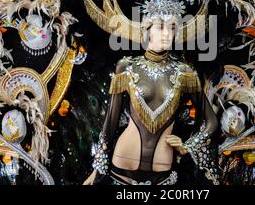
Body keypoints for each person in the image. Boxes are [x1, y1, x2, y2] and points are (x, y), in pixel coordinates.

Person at [83, 18, 218, 185]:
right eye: (161, 27)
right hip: (123, 161)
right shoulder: (126, 66)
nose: (167, 33)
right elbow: (110, 121)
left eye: (173, 27)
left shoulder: (185, 72)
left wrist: (189, 145)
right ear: (147, 30)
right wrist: (97, 170)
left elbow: (212, 122)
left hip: (162, 169)